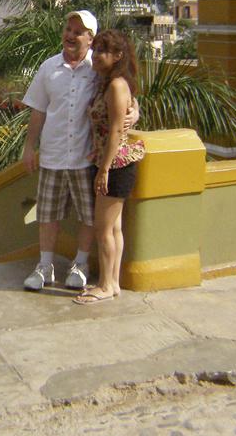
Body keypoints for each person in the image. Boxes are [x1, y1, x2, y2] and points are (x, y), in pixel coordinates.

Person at [21, 10, 138, 291]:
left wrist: (135, 114)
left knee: (88, 217)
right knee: (48, 214)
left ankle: (81, 264)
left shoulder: (98, 69)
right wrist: (28, 146)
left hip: (86, 159)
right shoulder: (48, 68)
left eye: (78, 32)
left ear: (90, 38)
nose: (70, 36)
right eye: (68, 29)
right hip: (53, 154)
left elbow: (124, 98)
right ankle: (45, 266)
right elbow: (38, 111)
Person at [74, 29, 145, 305]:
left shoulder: (116, 85)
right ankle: (112, 283)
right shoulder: (110, 82)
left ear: (118, 56)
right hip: (110, 161)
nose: (96, 55)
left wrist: (103, 169)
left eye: (103, 50)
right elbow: (127, 111)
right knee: (114, 228)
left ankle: (104, 285)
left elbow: (116, 131)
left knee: (103, 229)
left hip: (114, 164)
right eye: (96, 49)